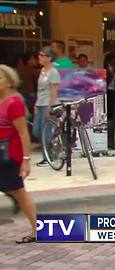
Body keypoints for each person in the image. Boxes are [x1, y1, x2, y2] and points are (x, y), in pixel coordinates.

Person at [0, 64, 37, 243]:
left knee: (20, 192)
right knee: (15, 191)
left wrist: (26, 160)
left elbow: (23, 133)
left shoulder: (14, 102)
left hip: (9, 155)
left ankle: (36, 229)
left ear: (9, 81)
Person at [33, 46, 61, 167]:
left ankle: (48, 156)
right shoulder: (42, 70)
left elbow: (54, 91)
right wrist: (36, 104)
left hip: (48, 103)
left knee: (46, 131)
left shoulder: (53, 72)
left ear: (49, 58)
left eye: (42, 55)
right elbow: (40, 90)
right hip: (40, 102)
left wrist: (50, 106)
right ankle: (52, 149)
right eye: (39, 55)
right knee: (37, 130)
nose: (39, 57)